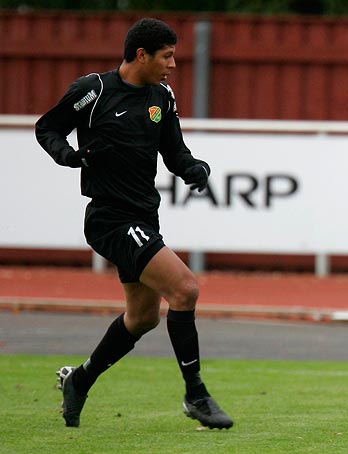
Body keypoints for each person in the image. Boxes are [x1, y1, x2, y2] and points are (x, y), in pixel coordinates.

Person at [35, 18, 233, 430]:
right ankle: (196, 395)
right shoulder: (94, 90)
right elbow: (48, 128)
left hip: (144, 215)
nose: (173, 65)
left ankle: (80, 379)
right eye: (167, 56)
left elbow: (174, 151)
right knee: (185, 288)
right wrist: (71, 157)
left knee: (143, 318)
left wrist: (194, 168)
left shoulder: (162, 95)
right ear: (142, 54)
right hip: (109, 217)